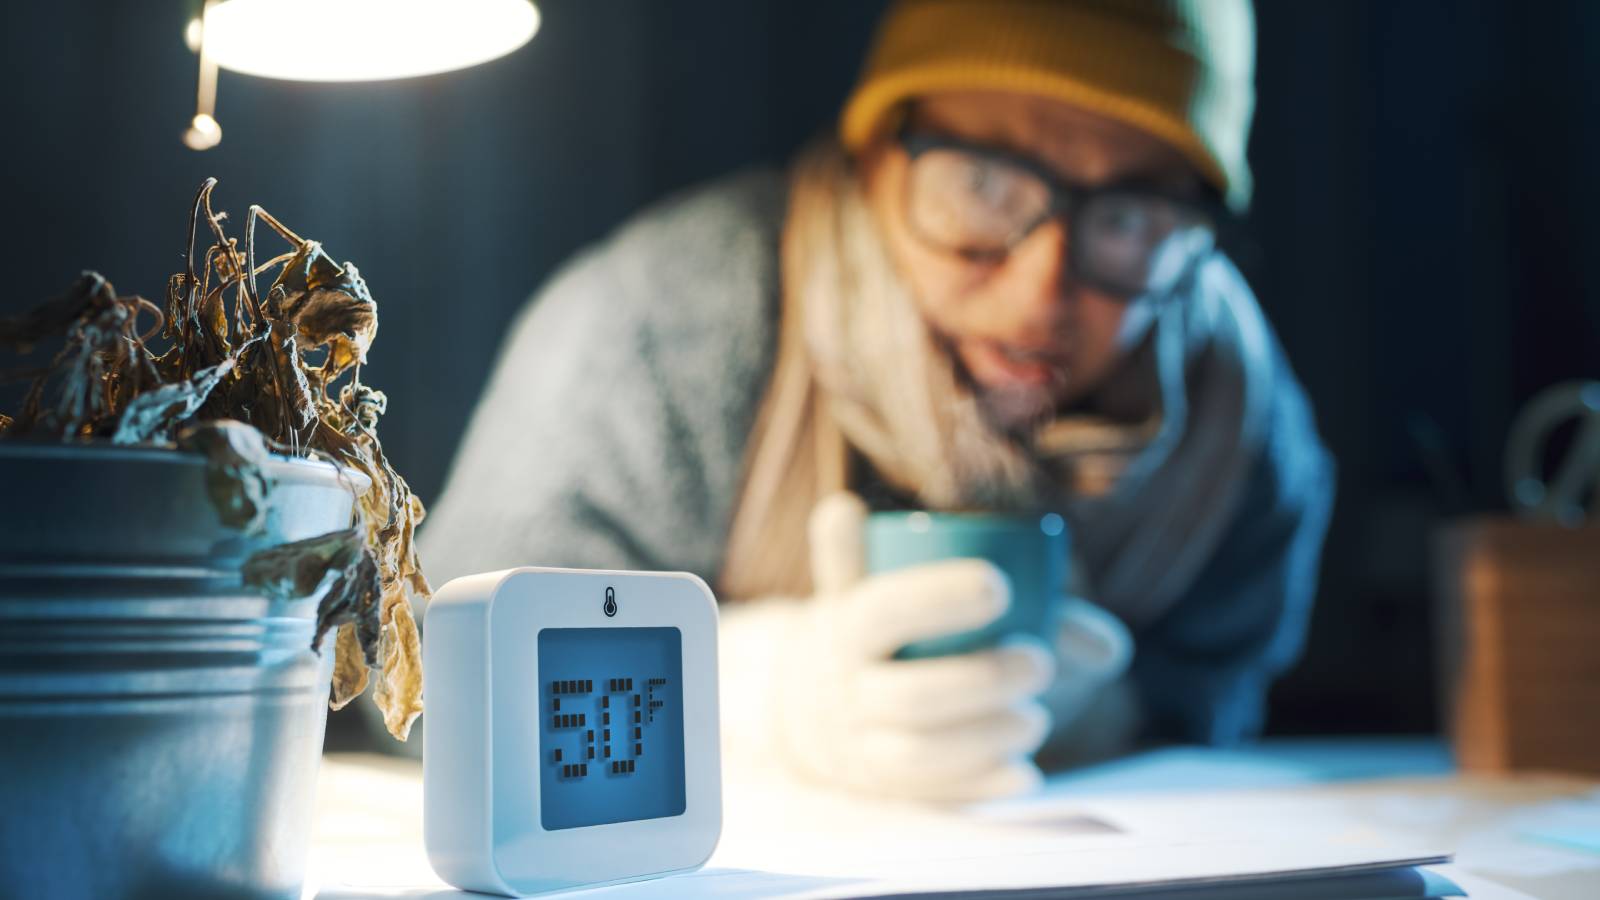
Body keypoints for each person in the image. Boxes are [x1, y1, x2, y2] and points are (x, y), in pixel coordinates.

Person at [419, 0, 1333, 801]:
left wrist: (1123, 713)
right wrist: (755, 697)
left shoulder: (1238, 414)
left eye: (1130, 217)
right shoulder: (668, 319)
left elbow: (1219, 691)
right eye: (983, 185)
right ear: (873, 153)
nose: (1040, 296)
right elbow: (429, 671)